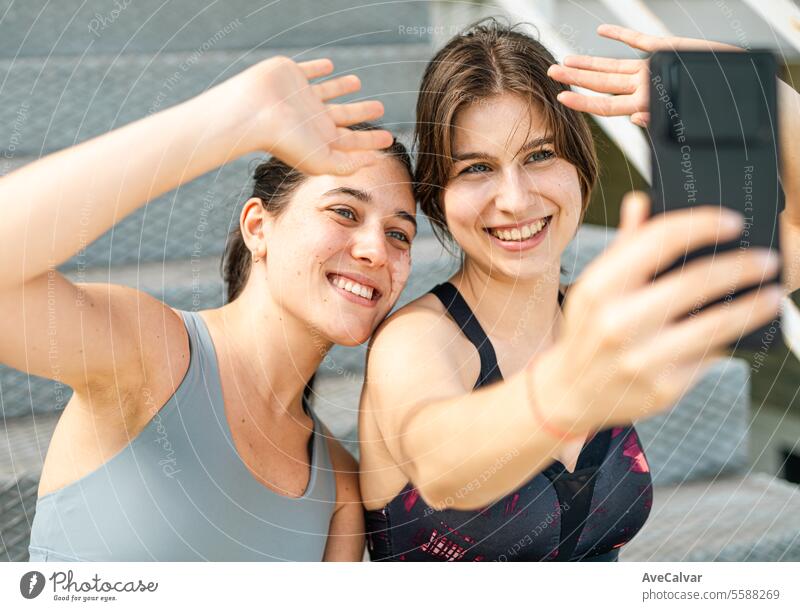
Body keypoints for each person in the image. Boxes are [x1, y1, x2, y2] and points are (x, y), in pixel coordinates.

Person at [359, 19, 786, 561]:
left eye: (539, 156)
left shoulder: (607, 314)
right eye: (476, 168)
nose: (513, 199)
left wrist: (759, 98)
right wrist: (572, 385)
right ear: (437, 194)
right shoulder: (417, 340)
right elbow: (443, 469)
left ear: (581, 166)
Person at [0, 55, 418, 560]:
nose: (376, 250)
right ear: (258, 227)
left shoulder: (338, 484)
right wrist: (228, 120)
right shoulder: (152, 353)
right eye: (344, 212)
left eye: (399, 234)